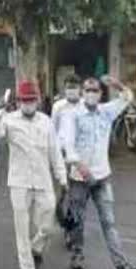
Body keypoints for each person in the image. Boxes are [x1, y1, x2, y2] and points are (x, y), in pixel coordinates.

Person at [62, 76, 136, 269]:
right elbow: (68, 146)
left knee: (109, 222)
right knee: (78, 220)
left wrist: (117, 84)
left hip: (102, 177)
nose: (91, 93)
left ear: (101, 93)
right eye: (88, 90)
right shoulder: (72, 116)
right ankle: (77, 254)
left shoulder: (106, 112)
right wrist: (81, 167)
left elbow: (128, 97)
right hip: (79, 179)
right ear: (82, 93)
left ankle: (122, 266)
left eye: (95, 90)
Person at [0, 80, 67, 269]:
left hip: (43, 180)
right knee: (21, 230)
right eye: (24, 100)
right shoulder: (9, 120)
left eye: (32, 99)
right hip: (19, 182)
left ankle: (36, 249)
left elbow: (55, 152)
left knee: (48, 225)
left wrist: (62, 178)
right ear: (18, 101)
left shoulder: (47, 122)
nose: (28, 103)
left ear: (38, 100)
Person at [51, 74, 82, 248]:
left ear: (79, 88)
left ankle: (69, 232)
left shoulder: (85, 107)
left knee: (74, 197)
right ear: (64, 88)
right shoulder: (58, 107)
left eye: (74, 86)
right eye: (69, 86)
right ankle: (62, 221)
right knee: (60, 195)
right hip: (61, 155)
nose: (72, 89)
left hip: (78, 157)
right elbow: (52, 132)